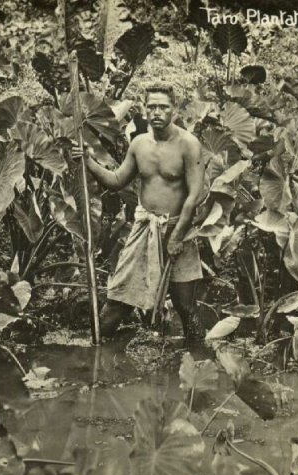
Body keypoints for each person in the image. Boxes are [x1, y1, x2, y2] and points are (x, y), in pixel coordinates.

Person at [81, 82, 205, 342]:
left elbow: (194, 196)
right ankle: (95, 361)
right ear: (145, 109)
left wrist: (176, 237)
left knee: (186, 308)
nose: (157, 112)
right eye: (152, 107)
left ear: (174, 109)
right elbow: (116, 181)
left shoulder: (188, 144)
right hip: (144, 230)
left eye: (163, 107)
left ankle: (199, 361)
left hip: (178, 229)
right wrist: (89, 162)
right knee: (117, 303)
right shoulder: (138, 144)